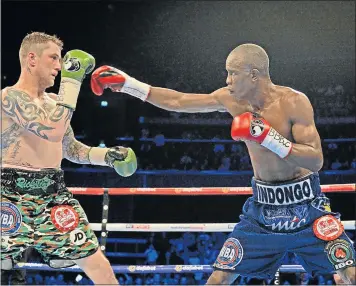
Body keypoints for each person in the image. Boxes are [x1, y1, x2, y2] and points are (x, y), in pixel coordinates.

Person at [90, 43, 356, 284]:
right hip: (262, 213)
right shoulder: (232, 99)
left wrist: (269, 138)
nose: (227, 80)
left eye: (233, 73)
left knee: (350, 273)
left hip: (308, 208)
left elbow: (316, 159)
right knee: (218, 279)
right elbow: (178, 101)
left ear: (254, 74)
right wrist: (127, 85)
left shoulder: (294, 102)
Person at [1, 32, 137, 285]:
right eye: (53, 58)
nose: (59, 66)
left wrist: (107, 156)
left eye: (61, 60)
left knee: (98, 265)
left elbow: (71, 149)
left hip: (53, 195)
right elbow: (51, 130)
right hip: (9, 194)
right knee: (5, 270)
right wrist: (72, 82)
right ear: (32, 59)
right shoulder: (10, 97)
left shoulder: (55, 102)